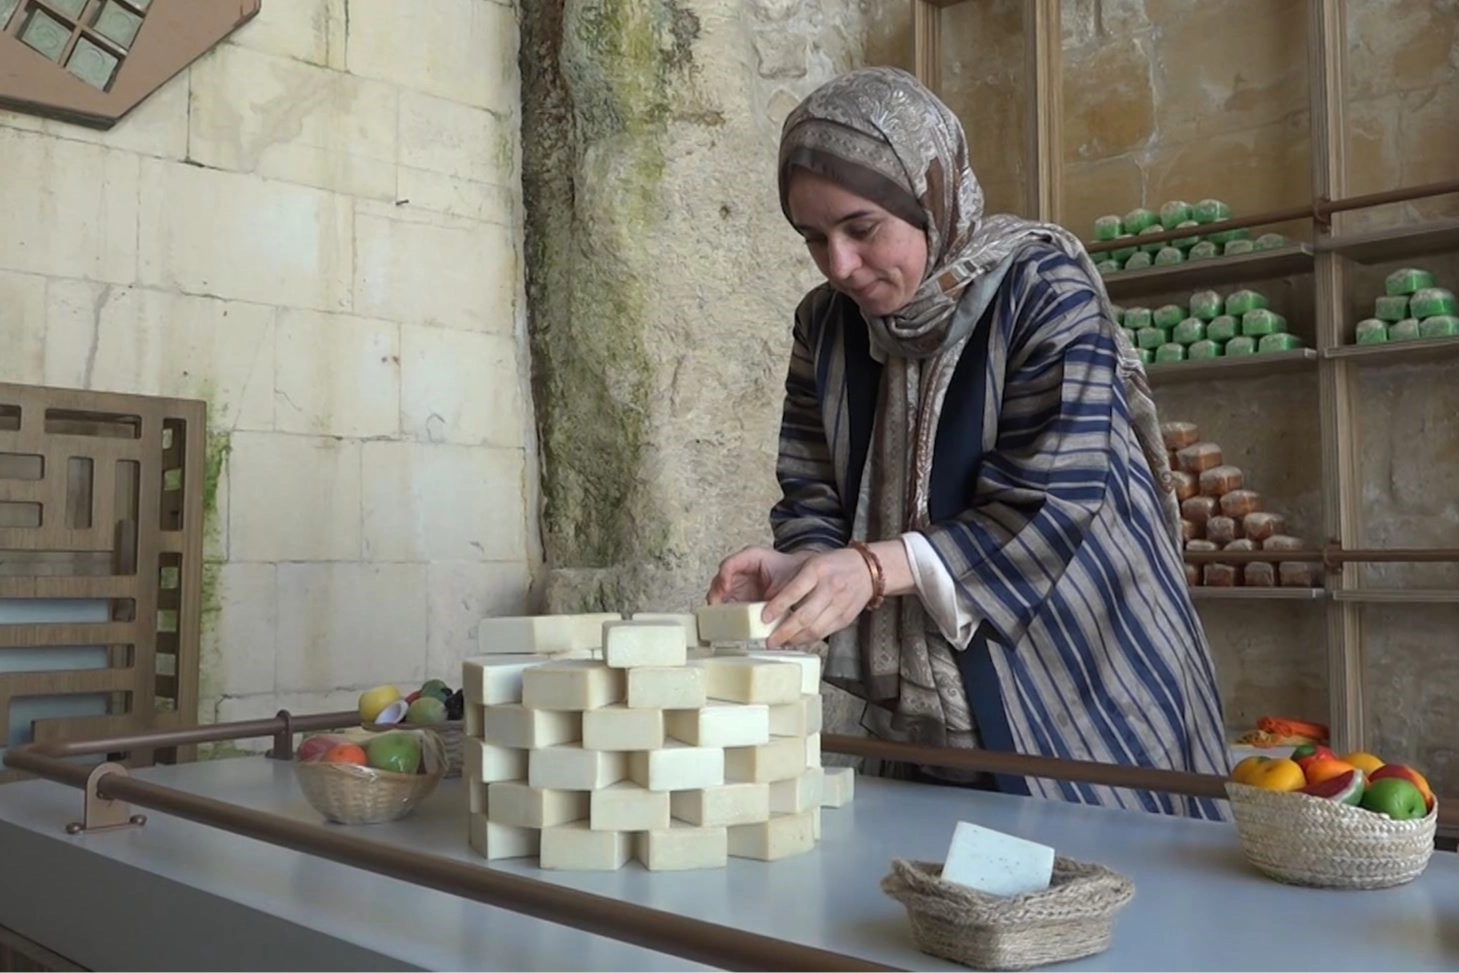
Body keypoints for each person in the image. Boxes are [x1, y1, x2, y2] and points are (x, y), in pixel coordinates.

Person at [705, 66, 1230, 819]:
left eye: (860, 229)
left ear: (931, 195)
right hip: (927, 709)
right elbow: (813, 483)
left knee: (1110, 899)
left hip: (1084, 674)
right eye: (813, 239)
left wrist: (870, 567)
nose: (839, 266)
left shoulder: (1042, 289)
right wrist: (808, 569)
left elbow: (1052, 501)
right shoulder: (824, 325)